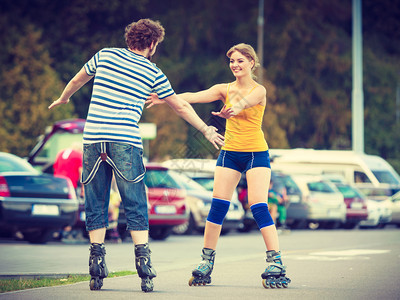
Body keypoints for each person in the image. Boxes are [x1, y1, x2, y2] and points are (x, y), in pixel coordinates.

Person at [48, 18, 224, 293]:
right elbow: (179, 106)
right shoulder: (152, 71)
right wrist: (206, 129)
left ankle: (96, 264)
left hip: (93, 138)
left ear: (130, 38)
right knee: (134, 201)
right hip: (125, 141)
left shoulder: (105, 55)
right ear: (152, 44)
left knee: (96, 200)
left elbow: (77, 79)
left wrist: (64, 97)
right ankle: (143, 264)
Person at [147, 43, 291, 288]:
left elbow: (244, 103)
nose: (235, 65)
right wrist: (164, 99)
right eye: (232, 61)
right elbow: (193, 97)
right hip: (230, 154)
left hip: (256, 154)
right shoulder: (223, 89)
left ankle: (275, 260)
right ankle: (206, 261)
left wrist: (232, 110)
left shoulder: (259, 90)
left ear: (251, 64)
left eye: (240, 61)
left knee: (258, 206)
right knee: (218, 206)